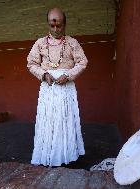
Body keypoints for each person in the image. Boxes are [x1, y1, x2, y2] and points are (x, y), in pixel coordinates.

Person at [27, 7, 87, 167]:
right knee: (48, 121)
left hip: (65, 89)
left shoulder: (72, 43)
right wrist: (43, 74)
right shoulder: (39, 43)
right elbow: (31, 64)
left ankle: (65, 155)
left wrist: (68, 75)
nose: (55, 29)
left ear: (65, 25)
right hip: (48, 88)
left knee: (64, 120)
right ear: (48, 25)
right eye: (52, 26)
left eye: (59, 26)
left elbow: (82, 62)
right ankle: (48, 155)